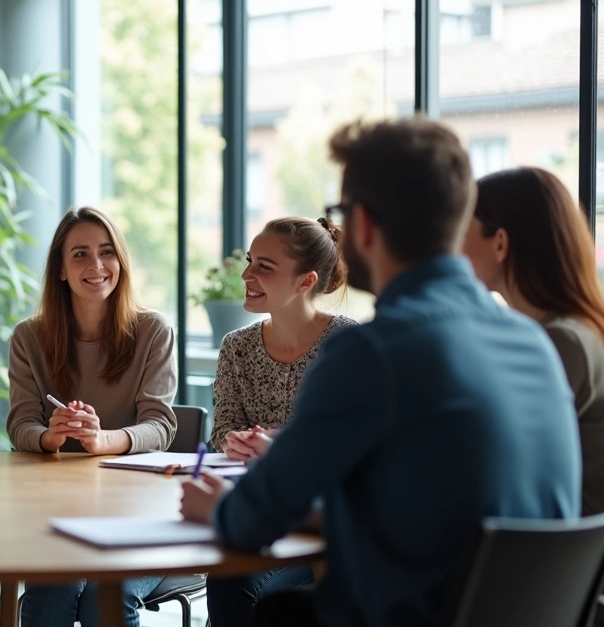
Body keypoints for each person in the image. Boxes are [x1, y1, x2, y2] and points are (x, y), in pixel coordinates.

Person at [179, 117, 581, 627]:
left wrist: (217, 509)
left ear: (364, 223)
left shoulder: (372, 353)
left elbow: (251, 521)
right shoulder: (533, 343)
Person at [5, 206, 177, 627]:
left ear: (120, 260)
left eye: (107, 252)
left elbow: (161, 425)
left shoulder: (153, 330)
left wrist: (104, 441)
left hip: (140, 512)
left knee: (106, 599)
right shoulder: (29, 337)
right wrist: (51, 435)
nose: (97, 265)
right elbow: (20, 423)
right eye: (80, 254)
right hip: (60, 510)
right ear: (61, 270)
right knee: (48, 599)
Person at [204, 217, 356, 626]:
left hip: (318, 525)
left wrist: (281, 446)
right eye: (250, 261)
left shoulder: (349, 346)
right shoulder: (236, 346)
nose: (246, 275)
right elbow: (223, 429)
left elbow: (351, 447)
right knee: (229, 573)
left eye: (264, 267)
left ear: (306, 281)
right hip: (254, 507)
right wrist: (235, 440)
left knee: (232, 580)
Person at [462, 166, 604, 516]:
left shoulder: (561, 342)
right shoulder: (575, 330)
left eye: (462, 233)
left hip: (552, 559)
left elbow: (495, 463)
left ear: (500, 243)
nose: (453, 250)